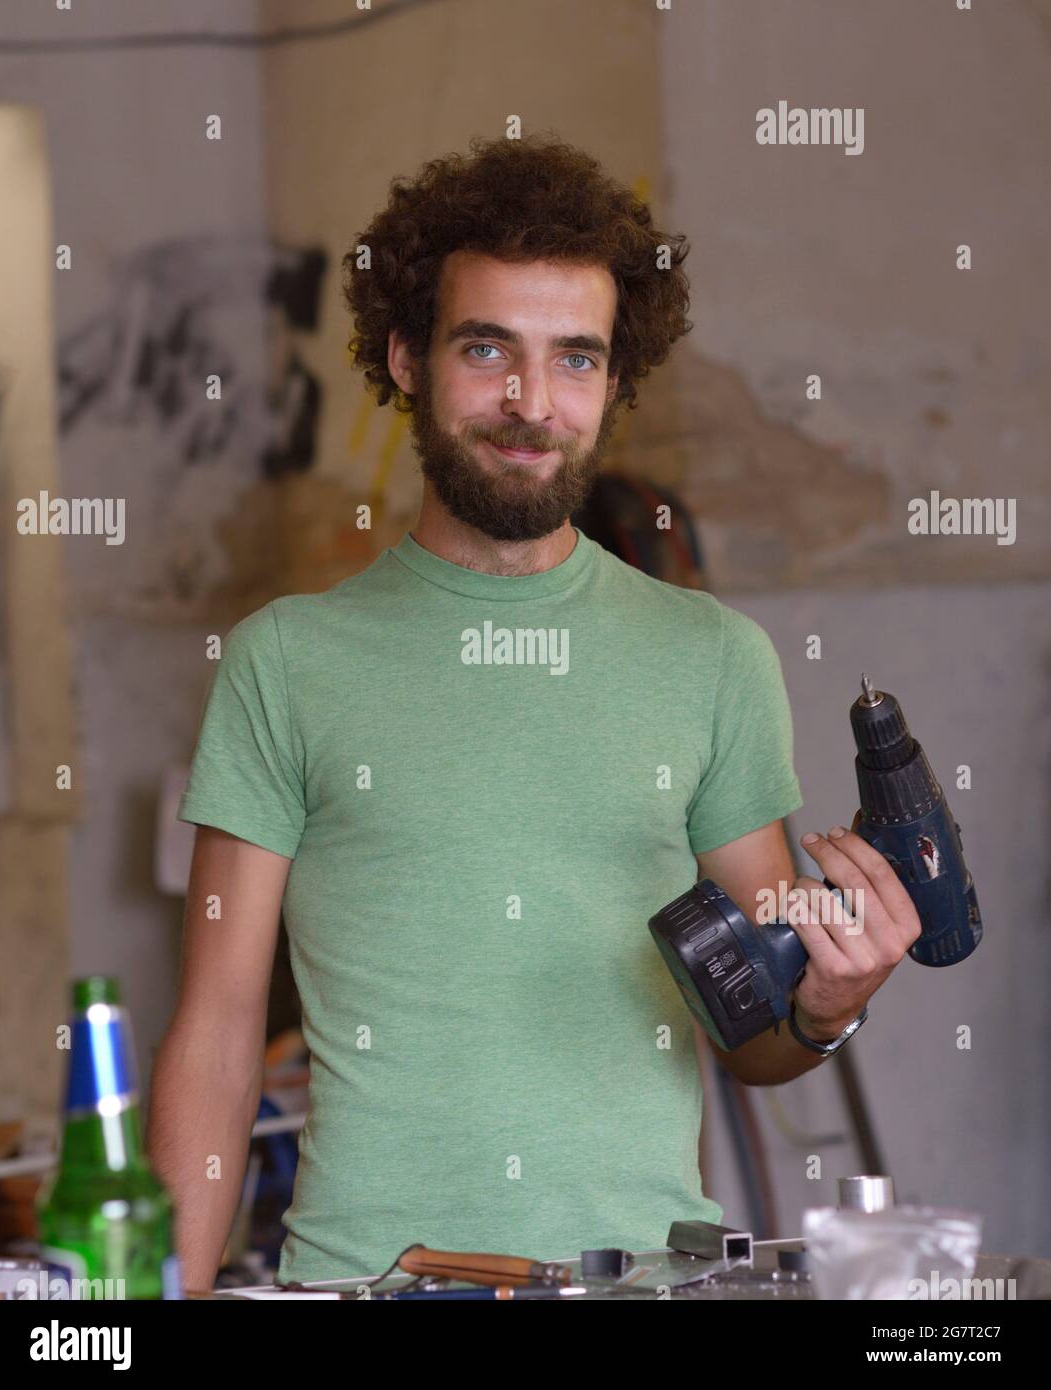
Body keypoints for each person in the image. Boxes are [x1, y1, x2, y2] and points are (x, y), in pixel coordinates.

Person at [149, 133, 920, 1289]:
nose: (530, 402)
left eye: (574, 360)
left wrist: (828, 1002)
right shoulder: (284, 662)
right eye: (486, 349)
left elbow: (751, 1030)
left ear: (613, 381)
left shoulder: (711, 659)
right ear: (406, 356)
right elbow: (214, 1040)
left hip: (643, 1282)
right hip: (367, 1279)